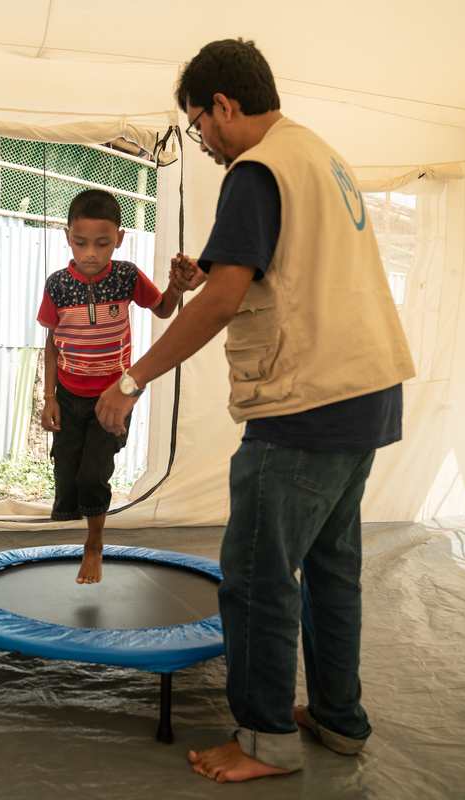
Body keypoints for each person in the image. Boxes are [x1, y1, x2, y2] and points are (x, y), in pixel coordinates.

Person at [96, 39, 415, 782]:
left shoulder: (255, 168)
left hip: (305, 403)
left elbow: (227, 300)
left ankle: (266, 740)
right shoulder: (316, 154)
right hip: (366, 391)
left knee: (257, 576)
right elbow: (291, 263)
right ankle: (338, 718)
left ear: (226, 106)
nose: (201, 138)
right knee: (332, 568)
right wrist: (206, 268)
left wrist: (132, 379)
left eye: (199, 122)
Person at [37, 189, 183, 583]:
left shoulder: (126, 276)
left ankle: (94, 544)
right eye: (81, 243)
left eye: (102, 244)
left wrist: (176, 286)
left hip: (113, 396)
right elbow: (51, 344)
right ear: (68, 237)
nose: (90, 253)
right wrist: (49, 397)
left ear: (119, 238)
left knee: (93, 473)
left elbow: (165, 309)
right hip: (68, 395)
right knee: (66, 471)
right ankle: (79, 521)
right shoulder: (57, 286)